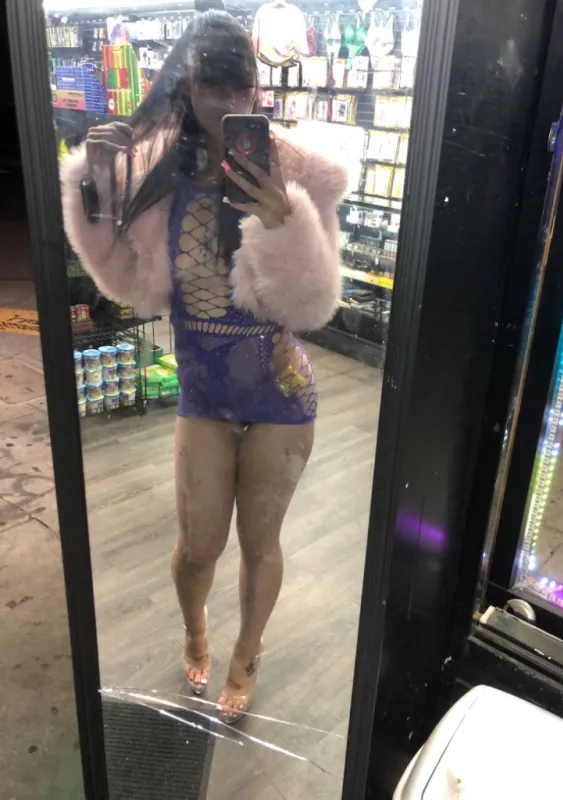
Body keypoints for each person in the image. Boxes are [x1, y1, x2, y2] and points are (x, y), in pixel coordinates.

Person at [60, 2, 346, 724]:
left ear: (256, 87)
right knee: (197, 548)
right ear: (186, 87)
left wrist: (286, 222)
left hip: (282, 387)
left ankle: (247, 654)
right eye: (211, 87)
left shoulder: (297, 170)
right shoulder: (155, 166)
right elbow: (124, 280)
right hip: (203, 390)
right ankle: (195, 629)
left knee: (260, 542)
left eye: (239, 87)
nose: (226, 102)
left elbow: (315, 304)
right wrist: (95, 186)